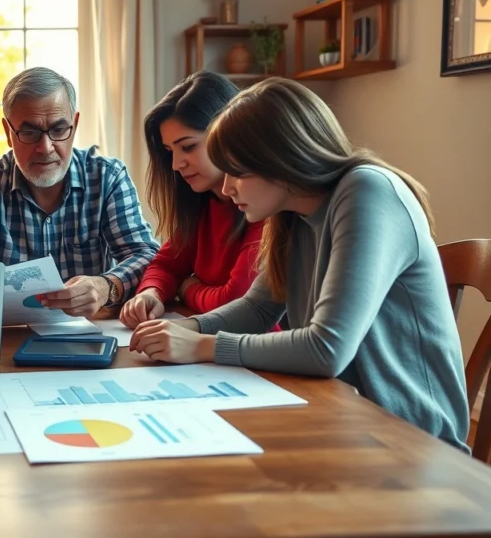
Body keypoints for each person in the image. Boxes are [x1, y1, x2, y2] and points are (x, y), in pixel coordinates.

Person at [129, 77, 470, 451]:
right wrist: (183, 329)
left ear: (279, 161)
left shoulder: (367, 192)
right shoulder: (291, 212)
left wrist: (200, 346)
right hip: (341, 413)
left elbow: (327, 349)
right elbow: (258, 308)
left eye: (237, 172)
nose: (226, 189)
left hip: (409, 439)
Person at [0, 67, 159, 317]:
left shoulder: (107, 177)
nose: (45, 148)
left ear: (74, 125)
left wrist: (106, 286)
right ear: (8, 133)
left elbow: (145, 254)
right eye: (29, 132)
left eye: (58, 130)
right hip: (12, 334)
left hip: (92, 328)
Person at [120, 71, 265, 328]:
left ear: (228, 132)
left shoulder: (264, 205)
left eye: (187, 147)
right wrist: (150, 293)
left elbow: (236, 303)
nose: (176, 164)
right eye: (169, 151)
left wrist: (187, 288)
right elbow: (165, 265)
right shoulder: (203, 203)